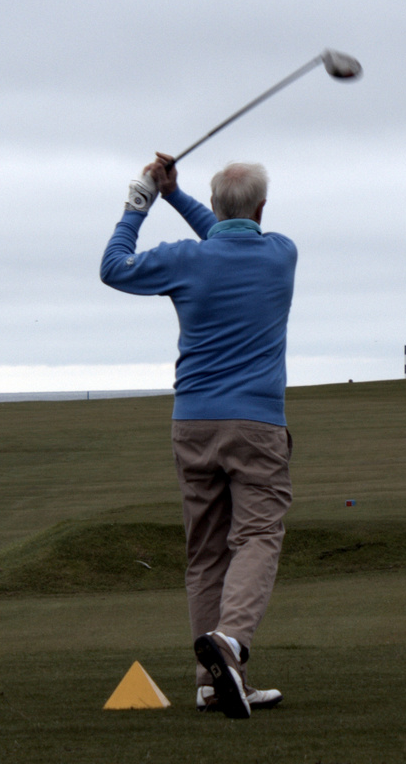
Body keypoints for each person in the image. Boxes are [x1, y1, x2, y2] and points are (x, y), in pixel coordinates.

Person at [100, 153, 297, 719]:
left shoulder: (186, 259)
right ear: (262, 209)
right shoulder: (281, 253)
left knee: (206, 553)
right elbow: (231, 234)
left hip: (192, 422)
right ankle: (230, 646)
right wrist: (173, 196)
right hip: (257, 425)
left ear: (213, 207)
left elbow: (114, 267)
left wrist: (141, 202)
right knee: (258, 536)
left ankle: (212, 686)